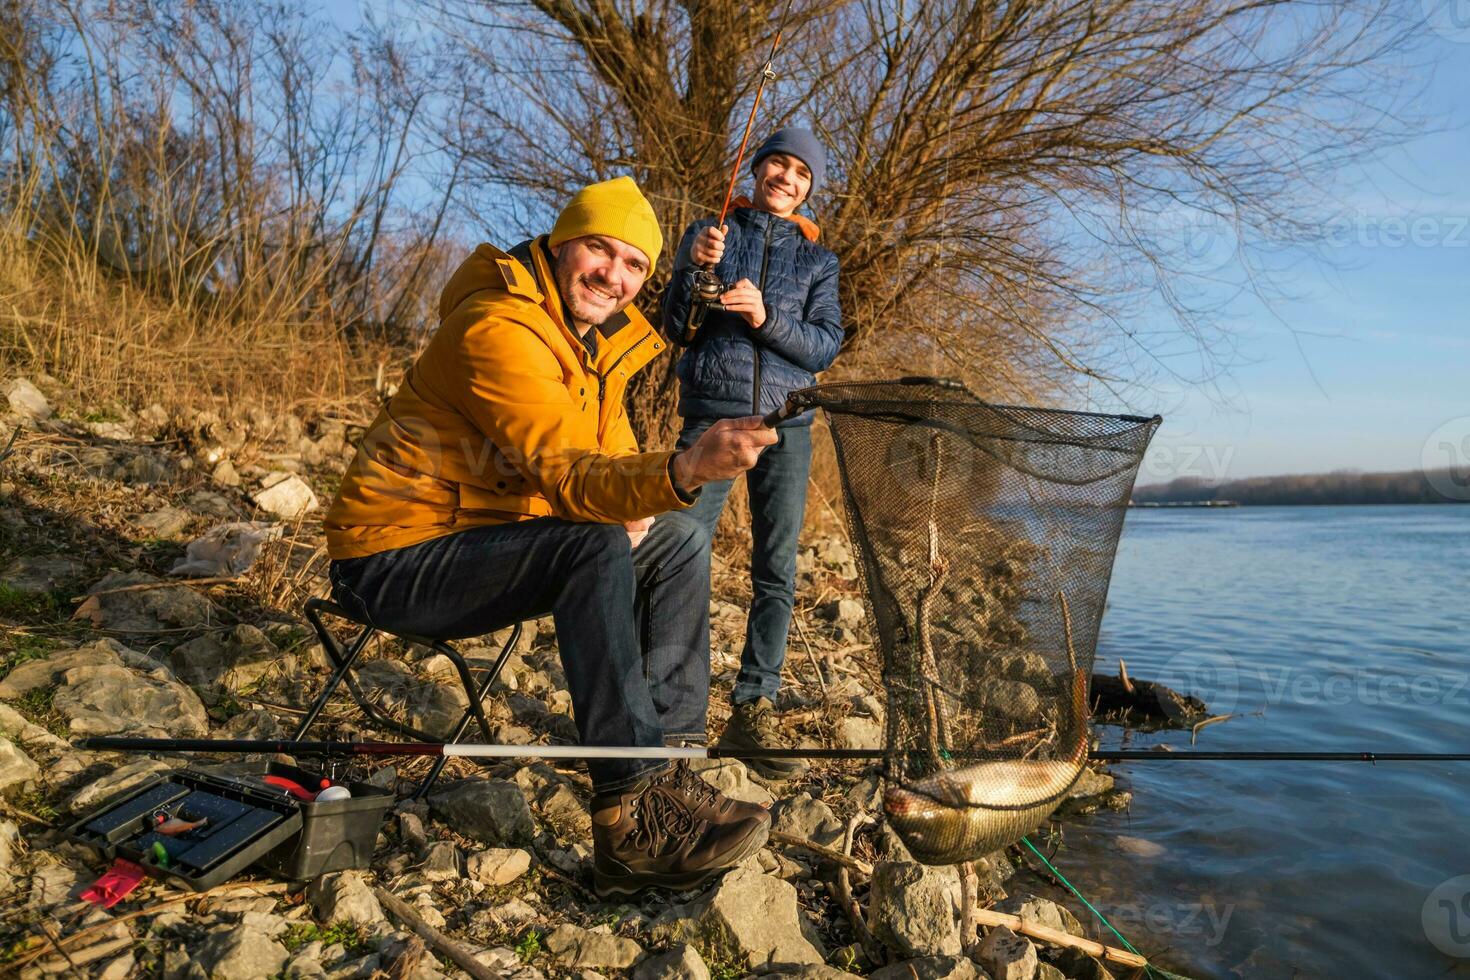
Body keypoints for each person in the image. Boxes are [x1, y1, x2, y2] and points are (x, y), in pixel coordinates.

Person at [324, 176, 778, 896]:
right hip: (390, 557)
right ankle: (629, 818)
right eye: (600, 249)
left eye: (635, 264)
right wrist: (687, 466)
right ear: (563, 243)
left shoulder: (594, 349)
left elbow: (615, 467)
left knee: (679, 542)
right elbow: (572, 477)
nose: (614, 276)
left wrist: (650, 499)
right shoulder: (497, 328)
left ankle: (669, 774)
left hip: (489, 542)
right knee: (590, 543)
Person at [662, 128, 844, 780]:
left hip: (788, 426)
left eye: (801, 172)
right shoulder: (712, 234)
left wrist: (767, 318)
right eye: (778, 164)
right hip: (713, 416)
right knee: (677, 551)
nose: (787, 177)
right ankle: (664, 709)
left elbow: (824, 347)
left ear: (807, 188)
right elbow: (674, 327)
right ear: (759, 169)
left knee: (777, 569)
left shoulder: (820, 263)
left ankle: (752, 708)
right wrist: (692, 268)